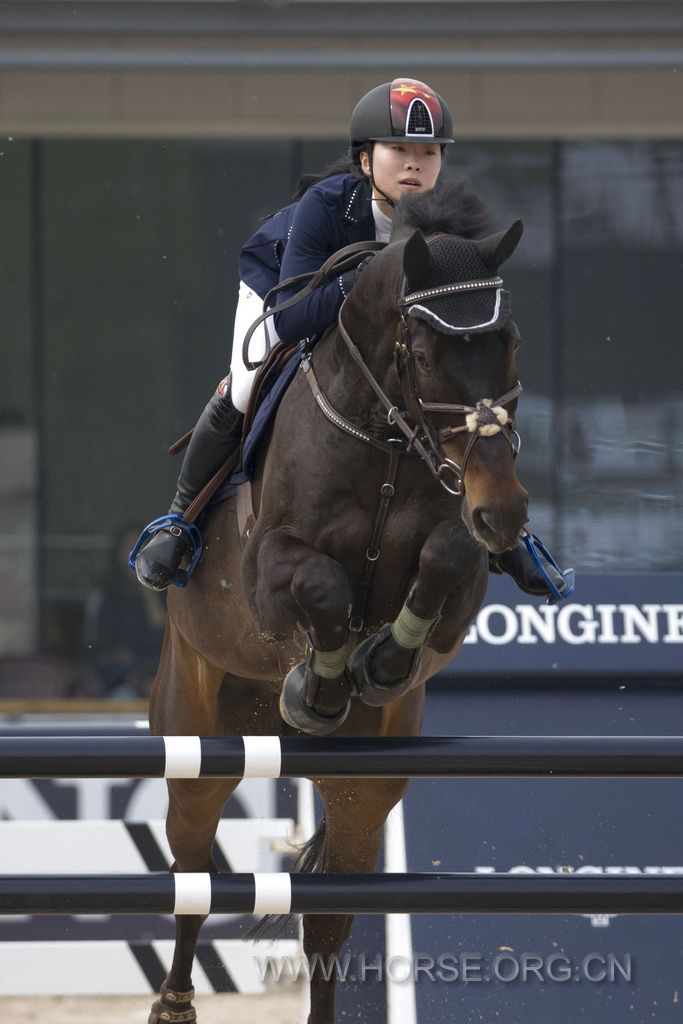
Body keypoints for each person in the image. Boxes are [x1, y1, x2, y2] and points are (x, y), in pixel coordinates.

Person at [133, 77, 571, 601]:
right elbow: (294, 320)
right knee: (245, 387)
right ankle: (180, 521)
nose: (414, 164)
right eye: (398, 150)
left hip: (382, 333)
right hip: (281, 291)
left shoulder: (446, 223)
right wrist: (367, 276)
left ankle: (510, 535)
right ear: (365, 160)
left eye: (428, 152)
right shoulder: (326, 206)